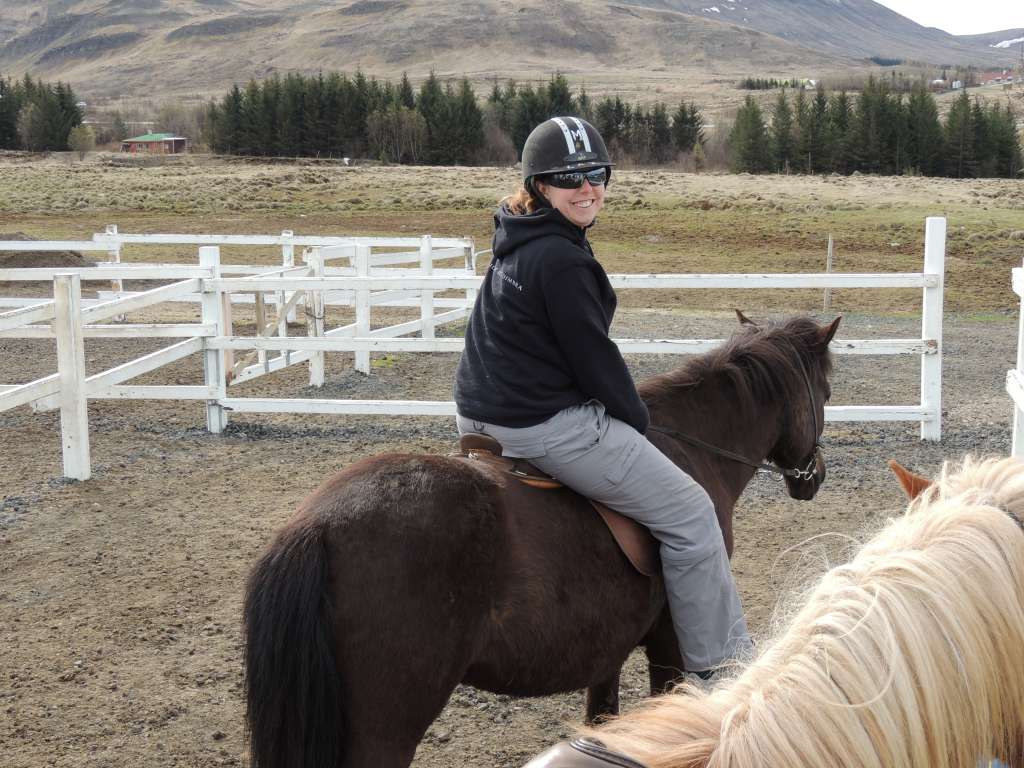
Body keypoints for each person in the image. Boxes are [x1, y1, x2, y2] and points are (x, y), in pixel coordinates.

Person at [454, 116, 752, 677]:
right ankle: (720, 674)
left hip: (482, 413)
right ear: (541, 185)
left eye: (597, 174)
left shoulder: (516, 236)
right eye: (571, 179)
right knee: (692, 515)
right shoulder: (563, 260)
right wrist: (635, 418)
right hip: (540, 423)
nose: (588, 188)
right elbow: (595, 361)